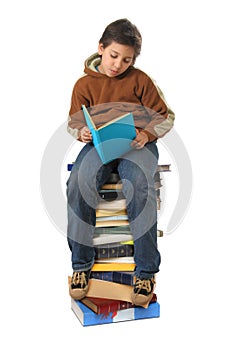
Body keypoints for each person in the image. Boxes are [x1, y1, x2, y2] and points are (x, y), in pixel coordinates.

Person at [67, 18, 175, 306]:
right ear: (101, 49)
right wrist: (81, 132)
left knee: (139, 185)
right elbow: (74, 122)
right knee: (78, 183)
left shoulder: (140, 80)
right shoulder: (84, 84)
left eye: (127, 60)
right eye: (114, 56)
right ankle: (81, 265)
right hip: (100, 145)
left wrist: (146, 133)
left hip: (136, 144)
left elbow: (165, 117)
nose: (118, 64)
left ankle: (146, 271)